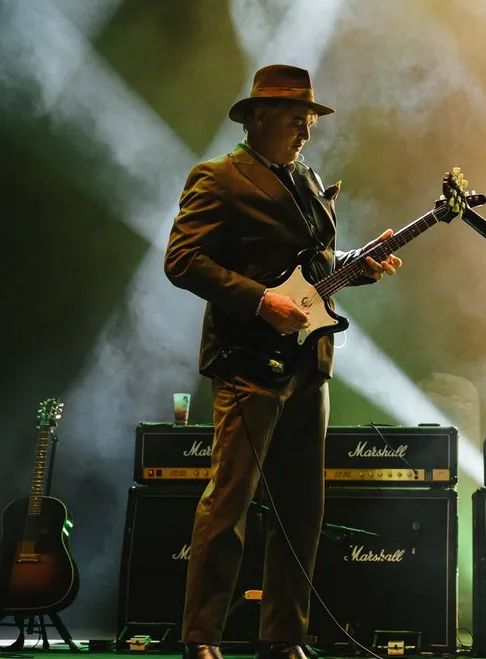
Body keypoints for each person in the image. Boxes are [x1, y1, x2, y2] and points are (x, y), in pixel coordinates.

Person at [164, 64, 401, 659]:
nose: (307, 131)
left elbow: (313, 269)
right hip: (248, 359)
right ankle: (201, 638)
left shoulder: (307, 180)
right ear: (259, 118)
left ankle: (284, 637)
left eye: (311, 121)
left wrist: (359, 264)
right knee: (230, 502)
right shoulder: (218, 178)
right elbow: (182, 259)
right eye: (297, 120)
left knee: (301, 508)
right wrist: (257, 299)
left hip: (308, 362)